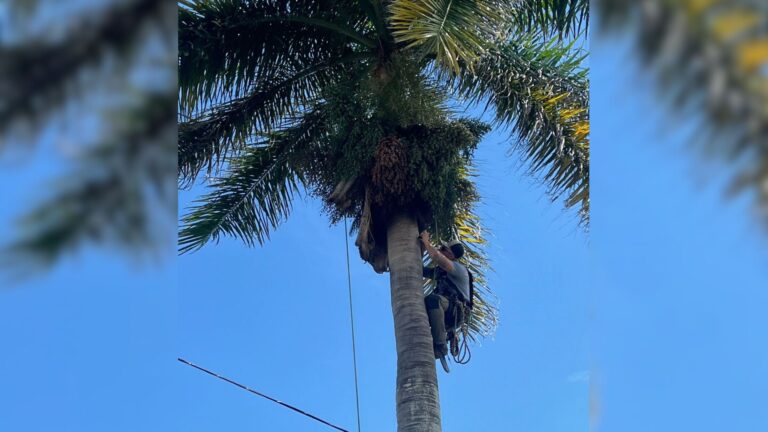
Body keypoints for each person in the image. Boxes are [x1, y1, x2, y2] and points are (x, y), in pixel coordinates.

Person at [419, 230, 471, 373]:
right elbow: (422, 270)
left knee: (432, 300)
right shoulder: (442, 271)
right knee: (423, 305)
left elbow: (436, 256)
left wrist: (426, 242)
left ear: (451, 255)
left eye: (443, 249)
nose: (440, 251)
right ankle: (448, 334)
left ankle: (441, 347)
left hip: (455, 312)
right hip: (447, 311)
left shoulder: (458, 269)